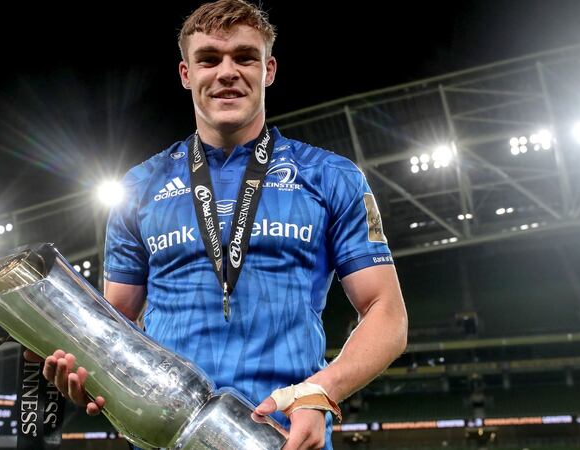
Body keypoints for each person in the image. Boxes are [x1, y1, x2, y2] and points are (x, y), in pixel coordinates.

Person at [26, 1, 407, 448]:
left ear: (269, 70)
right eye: (209, 59)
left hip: (282, 435)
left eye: (245, 57)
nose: (227, 71)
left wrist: (322, 389)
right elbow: (115, 329)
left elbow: (388, 314)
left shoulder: (330, 177)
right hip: (164, 439)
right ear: (186, 74)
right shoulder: (139, 187)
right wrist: (79, 369)